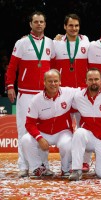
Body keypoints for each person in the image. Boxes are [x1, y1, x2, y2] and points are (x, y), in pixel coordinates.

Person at [5, 11, 55, 177]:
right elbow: (12, 67)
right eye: (36, 22)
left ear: (45, 24)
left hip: (45, 95)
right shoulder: (22, 42)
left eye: (42, 21)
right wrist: (10, 85)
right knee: (23, 130)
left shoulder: (51, 43)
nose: (39, 24)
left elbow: (53, 67)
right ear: (31, 24)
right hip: (26, 94)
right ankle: (23, 167)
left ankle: (44, 165)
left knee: (43, 132)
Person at [52, 13, 92, 173]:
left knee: (86, 126)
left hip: (82, 92)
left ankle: (85, 161)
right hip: (64, 93)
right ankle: (66, 164)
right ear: (64, 27)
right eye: (70, 25)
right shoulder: (56, 43)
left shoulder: (86, 41)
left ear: (79, 27)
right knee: (65, 130)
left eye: (76, 25)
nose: (73, 28)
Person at [69, 68, 101, 181]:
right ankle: (77, 170)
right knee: (79, 132)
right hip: (90, 137)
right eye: (90, 79)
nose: (93, 82)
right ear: (86, 81)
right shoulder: (78, 96)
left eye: (96, 79)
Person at [21, 69, 73, 178]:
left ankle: (66, 169)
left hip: (63, 131)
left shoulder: (69, 92)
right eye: (50, 81)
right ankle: (38, 168)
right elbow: (29, 123)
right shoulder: (36, 99)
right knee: (26, 139)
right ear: (44, 82)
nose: (53, 84)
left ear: (60, 82)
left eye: (55, 81)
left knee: (68, 144)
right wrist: (39, 137)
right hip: (43, 132)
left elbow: (86, 90)